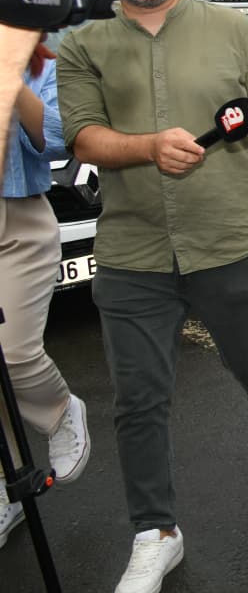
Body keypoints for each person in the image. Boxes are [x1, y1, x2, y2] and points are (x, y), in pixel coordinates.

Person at [56, 0, 248, 593]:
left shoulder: (233, 30)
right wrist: (147, 147)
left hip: (231, 238)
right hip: (133, 250)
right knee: (137, 398)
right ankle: (156, 532)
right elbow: (83, 136)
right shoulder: (82, 43)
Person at [0, 41, 92, 546]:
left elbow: (58, 139)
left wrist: (8, 76)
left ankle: (58, 410)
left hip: (18, 220)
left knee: (12, 353)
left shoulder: (38, 63)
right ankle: (7, 487)